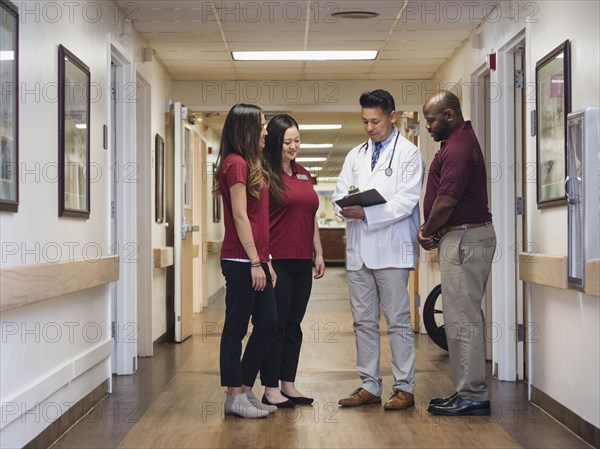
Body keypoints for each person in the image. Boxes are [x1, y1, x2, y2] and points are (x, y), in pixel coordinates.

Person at [333, 89, 425, 410]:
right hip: (359, 249)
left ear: (392, 116)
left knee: (398, 320)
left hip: (391, 248)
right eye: (365, 121)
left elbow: (405, 201)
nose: (370, 127)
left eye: (375, 121)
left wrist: (367, 213)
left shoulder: (409, 155)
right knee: (363, 321)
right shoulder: (355, 154)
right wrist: (342, 207)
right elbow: (340, 191)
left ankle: (404, 387)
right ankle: (369, 384)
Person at [418, 90, 496, 416]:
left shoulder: (460, 148)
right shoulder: (455, 142)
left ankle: (473, 394)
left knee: (462, 319)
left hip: (464, 238)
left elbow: (447, 202)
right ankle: (466, 389)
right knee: (459, 317)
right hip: (461, 237)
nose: (427, 127)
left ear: (449, 116)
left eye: (431, 120)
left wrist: (427, 230)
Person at [214, 103, 278, 419]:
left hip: (254, 258)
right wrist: (255, 261)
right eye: (262, 125)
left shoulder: (249, 163)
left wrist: (266, 260)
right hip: (240, 260)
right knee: (236, 328)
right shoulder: (235, 164)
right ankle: (233, 395)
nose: (265, 131)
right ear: (247, 129)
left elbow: (257, 218)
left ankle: (243, 388)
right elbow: (240, 216)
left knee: (268, 323)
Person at [259, 114, 325, 408]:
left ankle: (289, 383)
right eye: (287, 141)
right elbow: (256, 221)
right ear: (274, 141)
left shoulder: (304, 174)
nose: (293, 146)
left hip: (302, 261)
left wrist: (318, 251)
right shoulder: (263, 174)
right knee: (276, 325)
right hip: (277, 261)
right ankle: (270, 388)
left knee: (294, 324)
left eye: (297, 140)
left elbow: (310, 217)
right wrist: (265, 260)